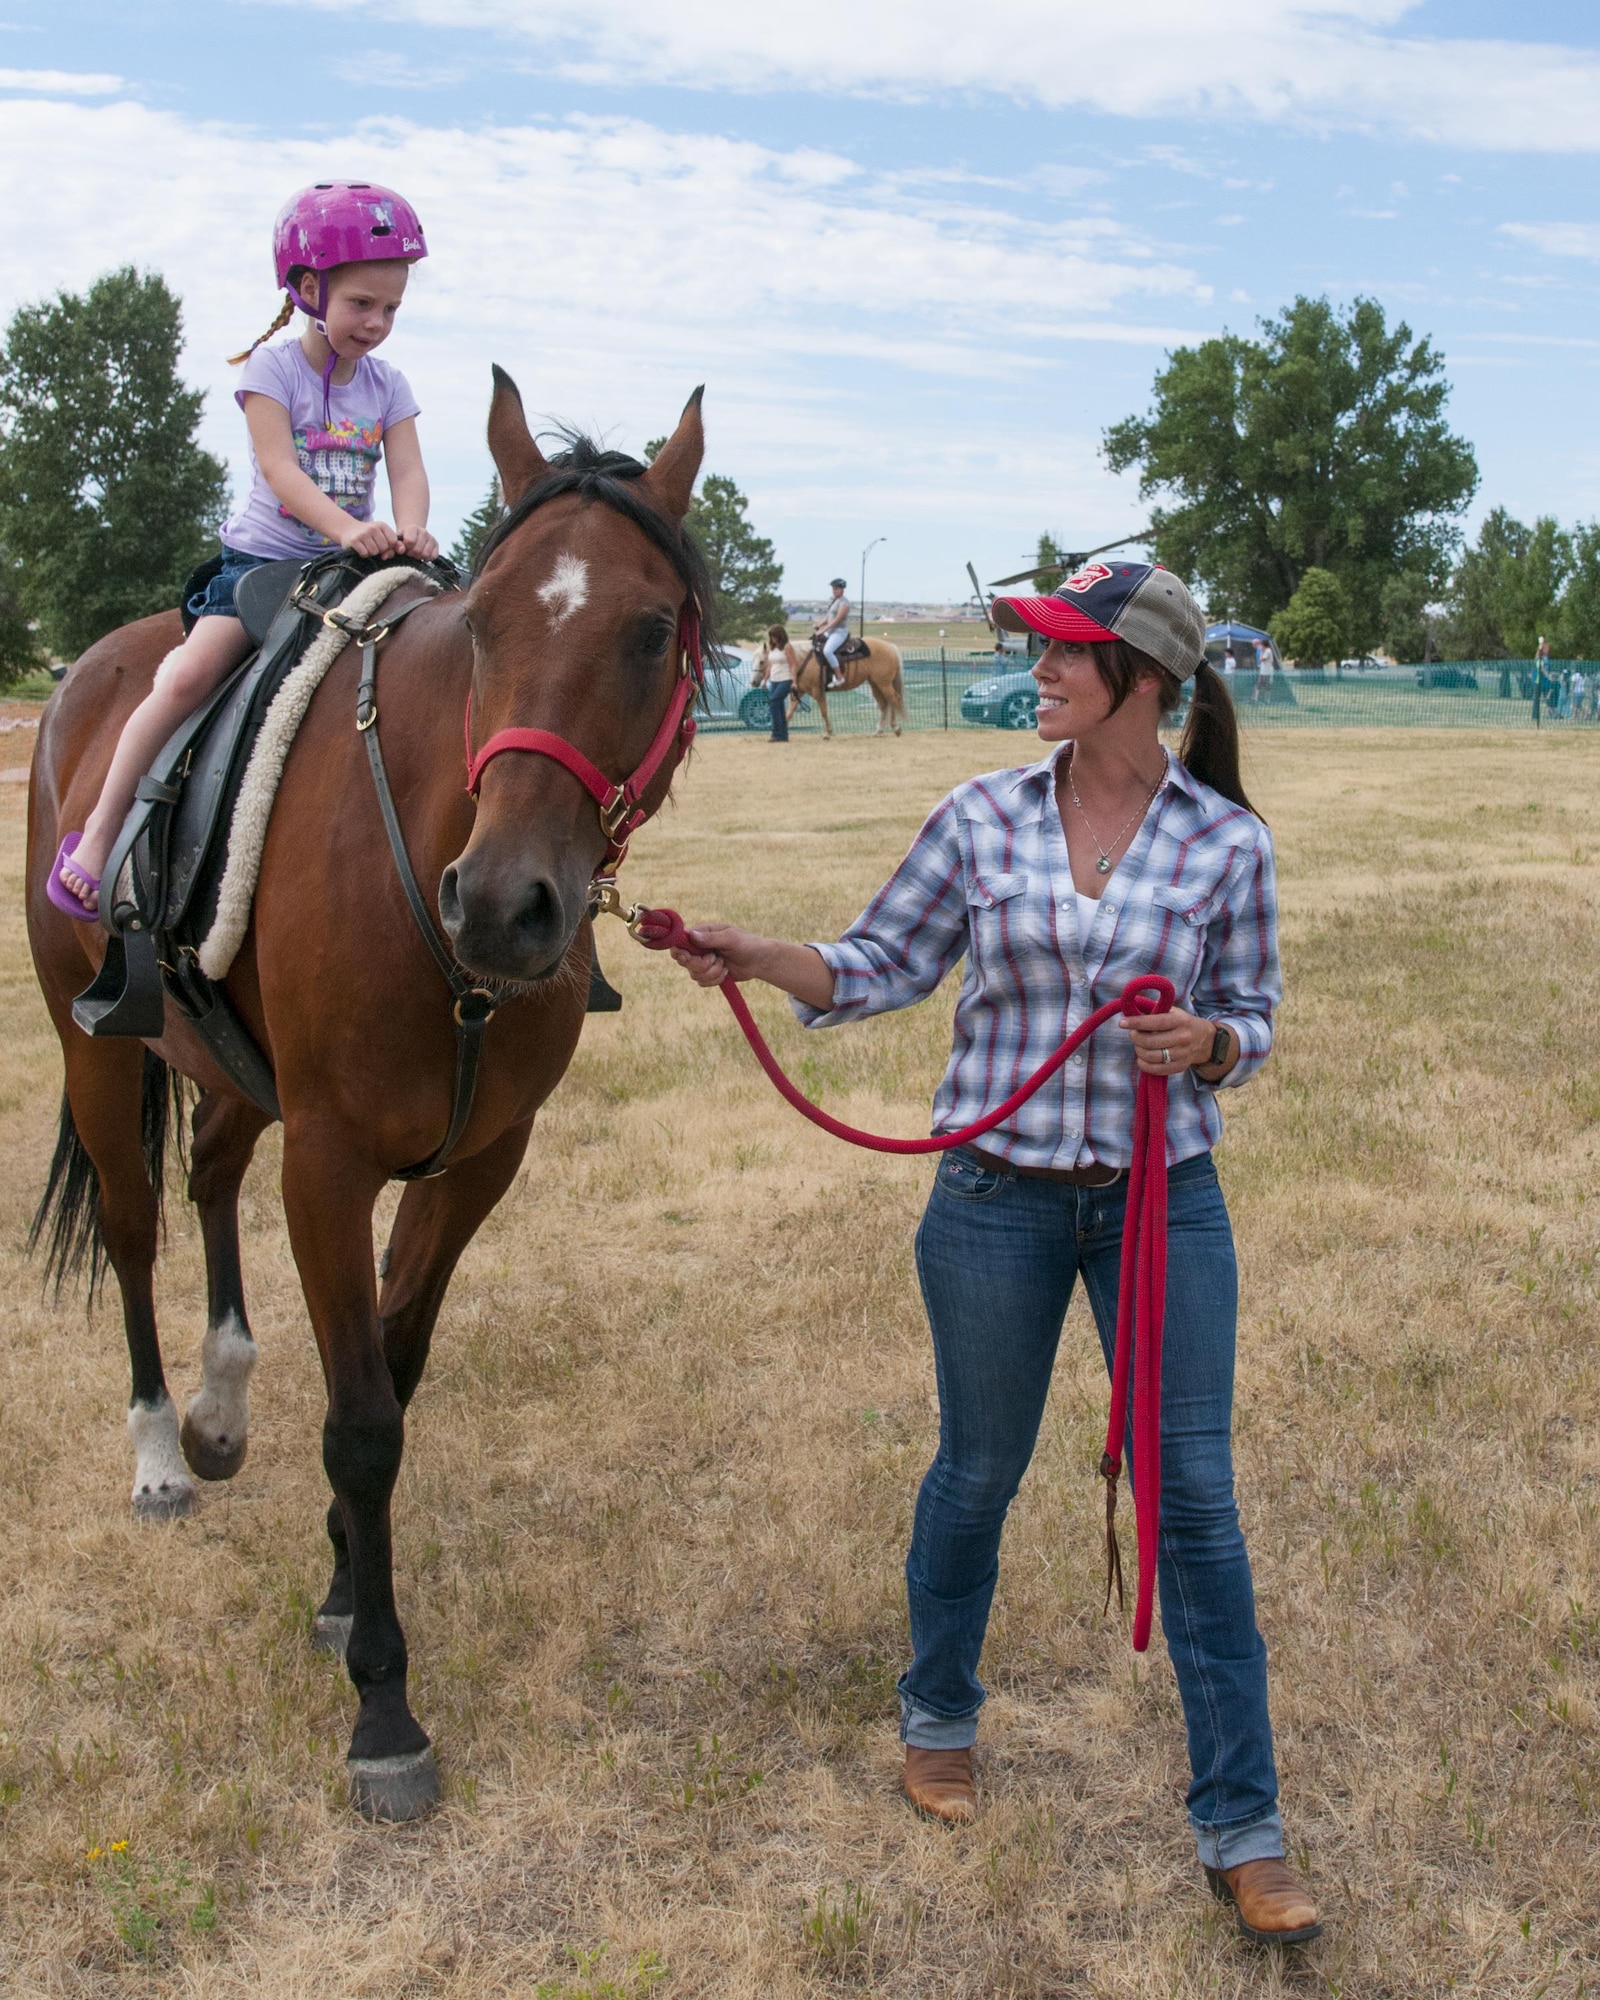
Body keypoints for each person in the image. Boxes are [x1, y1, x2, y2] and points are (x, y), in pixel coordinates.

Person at [669, 562, 1319, 1947]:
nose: (1037, 670)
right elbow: (876, 963)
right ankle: (940, 1712)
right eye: (1038, 650)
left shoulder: (1226, 846)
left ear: (1141, 680)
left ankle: (1245, 1828)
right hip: (993, 1199)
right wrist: (754, 953)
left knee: (1192, 1498)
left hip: (1161, 1201)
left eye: (1064, 653)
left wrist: (1210, 1044)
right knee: (977, 1470)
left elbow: (1254, 1019)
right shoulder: (977, 817)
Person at [50, 181, 437, 920]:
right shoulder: (273, 372)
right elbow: (279, 470)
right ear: (305, 287)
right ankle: (99, 836)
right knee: (187, 675)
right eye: (362, 304)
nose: (378, 324)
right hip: (261, 567)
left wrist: (410, 525)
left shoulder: (389, 386)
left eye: (391, 308)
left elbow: (408, 469)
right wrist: (348, 526)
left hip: (348, 567)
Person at [759, 624, 798, 742]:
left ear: (780, 636)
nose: (773, 639)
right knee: (779, 706)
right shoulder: (772, 649)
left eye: (775, 637)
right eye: (771, 637)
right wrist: (765, 680)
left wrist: (794, 681)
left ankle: (776, 732)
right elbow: (770, 666)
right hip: (774, 680)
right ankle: (783, 735)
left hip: (785, 679)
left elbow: (793, 664)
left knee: (774, 702)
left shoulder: (787, 647)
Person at [814, 577, 851, 688]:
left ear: (842, 590)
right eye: (833, 589)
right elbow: (829, 616)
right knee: (815, 644)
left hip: (839, 632)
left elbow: (837, 620)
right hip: (830, 632)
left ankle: (839, 677)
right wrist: (819, 624)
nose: (834, 591)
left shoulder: (844, 603)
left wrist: (823, 630)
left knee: (827, 651)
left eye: (836, 589)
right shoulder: (833, 600)